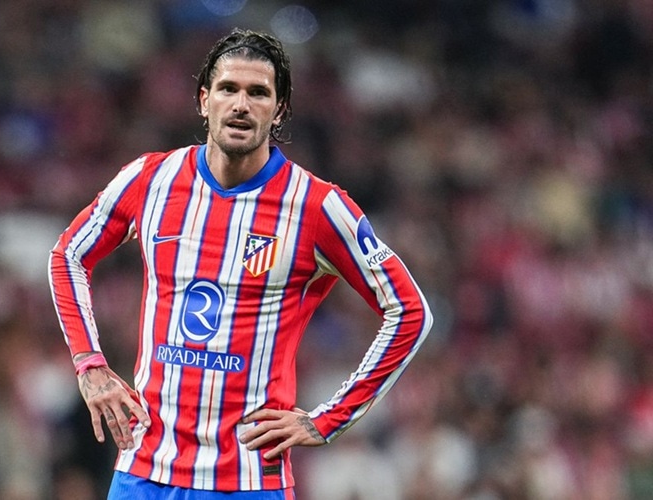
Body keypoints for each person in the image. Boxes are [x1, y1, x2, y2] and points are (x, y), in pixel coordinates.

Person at [49, 28, 433, 499]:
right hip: (144, 473)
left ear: (280, 110)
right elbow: (68, 254)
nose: (241, 105)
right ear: (203, 99)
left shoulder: (316, 206)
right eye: (228, 89)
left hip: (248, 480)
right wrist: (89, 364)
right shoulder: (150, 179)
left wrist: (329, 419)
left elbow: (409, 311)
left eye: (258, 93)